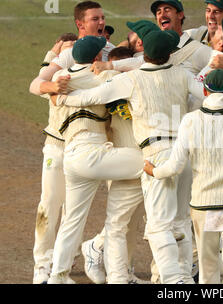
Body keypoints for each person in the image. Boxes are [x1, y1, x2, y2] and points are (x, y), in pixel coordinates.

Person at [53, 30, 206, 284]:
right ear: (170, 53)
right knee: (180, 222)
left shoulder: (131, 79)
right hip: (183, 154)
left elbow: (93, 96)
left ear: (144, 53)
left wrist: (61, 98)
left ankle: (173, 281)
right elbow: (206, 96)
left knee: (159, 226)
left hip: (154, 155)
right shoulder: (183, 74)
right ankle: (182, 279)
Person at [143, 69, 223, 284]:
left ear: (204, 91)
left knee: (208, 266)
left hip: (207, 206)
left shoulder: (190, 121)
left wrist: (154, 171)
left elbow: (174, 166)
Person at [46, 36, 145, 284]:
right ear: (96, 58)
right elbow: (145, 67)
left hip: (71, 156)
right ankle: (157, 227)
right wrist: (113, 66)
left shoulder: (60, 79)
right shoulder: (103, 77)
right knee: (153, 161)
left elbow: (42, 86)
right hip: (94, 153)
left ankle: (58, 276)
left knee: (72, 221)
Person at [80, 21, 160, 285]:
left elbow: (137, 62)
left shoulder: (141, 71)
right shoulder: (111, 79)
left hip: (142, 159)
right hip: (122, 159)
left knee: (133, 220)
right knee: (121, 220)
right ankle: (100, 254)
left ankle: (123, 270)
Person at [32, 32, 77, 284]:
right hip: (55, 148)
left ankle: (62, 267)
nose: (69, 55)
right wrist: (52, 53)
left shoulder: (86, 74)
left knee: (73, 211)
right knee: (49, 204)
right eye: (64, 51)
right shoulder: (52, 78)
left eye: (73, 49)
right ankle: (42, 266)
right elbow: (39, 81)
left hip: (81, 151)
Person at [29, 0, 110, 96]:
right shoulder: (69, 52)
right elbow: (34, 85)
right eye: (95, 19)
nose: (102, 22)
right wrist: (53, 86)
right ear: (80, 24)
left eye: (103, 18)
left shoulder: (110, 49)